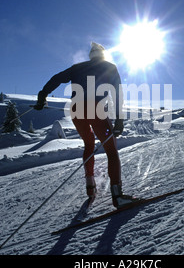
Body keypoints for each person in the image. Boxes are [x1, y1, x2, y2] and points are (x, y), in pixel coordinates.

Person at [33, 42, 137, 208]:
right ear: (103, 56)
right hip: (96, 108)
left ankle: (90, 188)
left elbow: (56, 79)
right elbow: (117, 93)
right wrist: (119, 118)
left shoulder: (77, 67)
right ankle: (118, 196)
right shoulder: (109, 66)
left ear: (90, 56)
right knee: (111, 150)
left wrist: (42, 95)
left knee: (88, 144)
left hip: (76, 109)